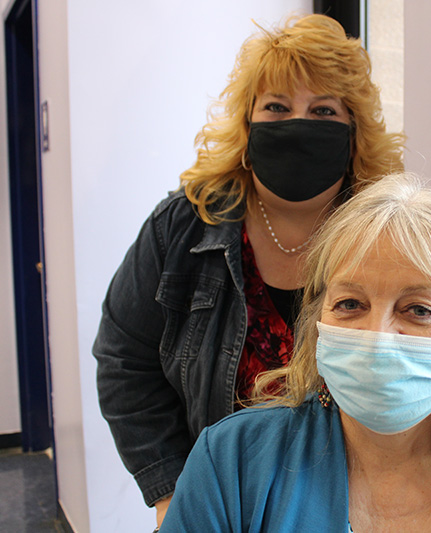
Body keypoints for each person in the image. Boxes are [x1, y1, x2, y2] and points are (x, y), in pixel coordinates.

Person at [92, 14, 404, 527]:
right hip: (215, 500)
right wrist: (171, 488)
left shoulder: (386, 233)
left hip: (354, 503)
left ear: (353, 132)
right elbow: (124, 359)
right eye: (277, 107)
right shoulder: (181, 227)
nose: (296, 125)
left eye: (322, 109)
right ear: (247, 123)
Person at [159, 173, 431, 532]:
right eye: (351, 304)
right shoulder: (233, 463)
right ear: (318, 321)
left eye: (419, 310)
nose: (377, 336)